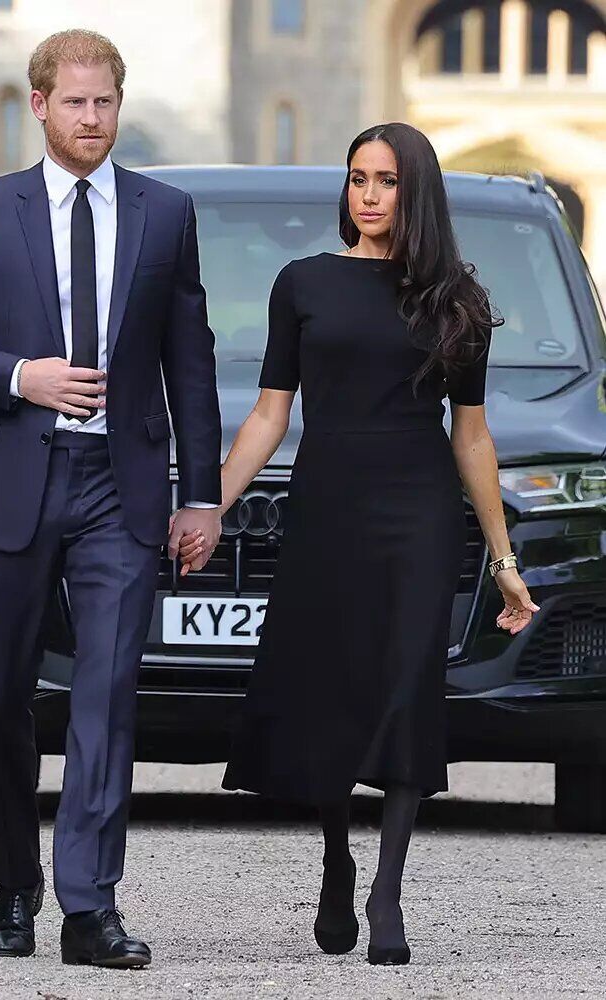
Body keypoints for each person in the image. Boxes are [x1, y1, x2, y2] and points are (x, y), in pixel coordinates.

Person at [0, 29, 222, 969]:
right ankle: (16, 882)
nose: (92, 119)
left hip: (117, 491)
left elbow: (190, 363)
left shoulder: (166, 214)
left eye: (105, 102)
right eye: (75, 102)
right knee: (0, 696)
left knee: (108, 692)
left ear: (119, 105)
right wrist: (18, 376)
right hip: (12, 481)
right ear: (38, 105)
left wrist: (198, 496)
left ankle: (90, 904)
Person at [201, 122, 538, 966]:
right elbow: (270, 416)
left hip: (419, 513)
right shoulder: (304, 283)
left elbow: (473, 438)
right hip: (327, 508)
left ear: (414, 190)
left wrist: (504, 564)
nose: (369, 195)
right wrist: (204, 505)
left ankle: (388, 889)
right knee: (331, 688)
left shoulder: (456, 298)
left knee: (404, 685)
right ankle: (336, 860)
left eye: (386, 180)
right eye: (358, 179)